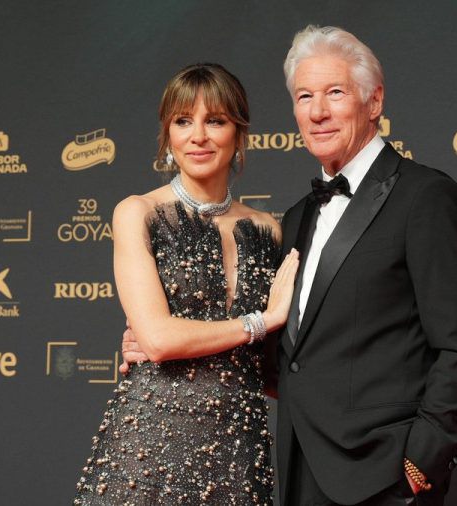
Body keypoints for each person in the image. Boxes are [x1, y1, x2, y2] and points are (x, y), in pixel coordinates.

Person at [124, 26, 457, 506]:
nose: (317, 112)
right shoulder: (296, 218)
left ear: (374, 101)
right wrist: (161, 344)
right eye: (304, 97)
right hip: (299, 470)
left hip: (385, 475)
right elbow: (290, 357)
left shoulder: (424, 197)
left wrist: (421, 464)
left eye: (334, 93)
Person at [74, 62, 299, 505]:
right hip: (148, 452)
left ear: (238, 132)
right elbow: (157, 340)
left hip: (240, 452)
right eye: (183, 121)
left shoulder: (269, 230)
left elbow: (272, 372)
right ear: (167, 134)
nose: (198, 136)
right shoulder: (138, 212)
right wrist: (263, 320)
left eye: (214, 121)